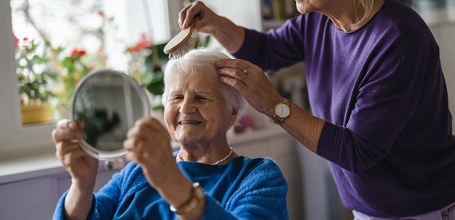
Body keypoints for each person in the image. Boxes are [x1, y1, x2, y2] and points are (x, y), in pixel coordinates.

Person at [178, 0, 455, 219]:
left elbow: (357, 151)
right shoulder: (318, 20)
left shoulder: (398, 39)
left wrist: (272, 104)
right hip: (373, 209)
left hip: (429, 208)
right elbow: (266, 51)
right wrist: (216, 23)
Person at [51, 48, 289, 219]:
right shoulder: (136, 171)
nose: (185, 108)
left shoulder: (258, 177)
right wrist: (81, 184)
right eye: (176, 98)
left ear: (232, 112)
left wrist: (172, 183)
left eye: (201, 97)